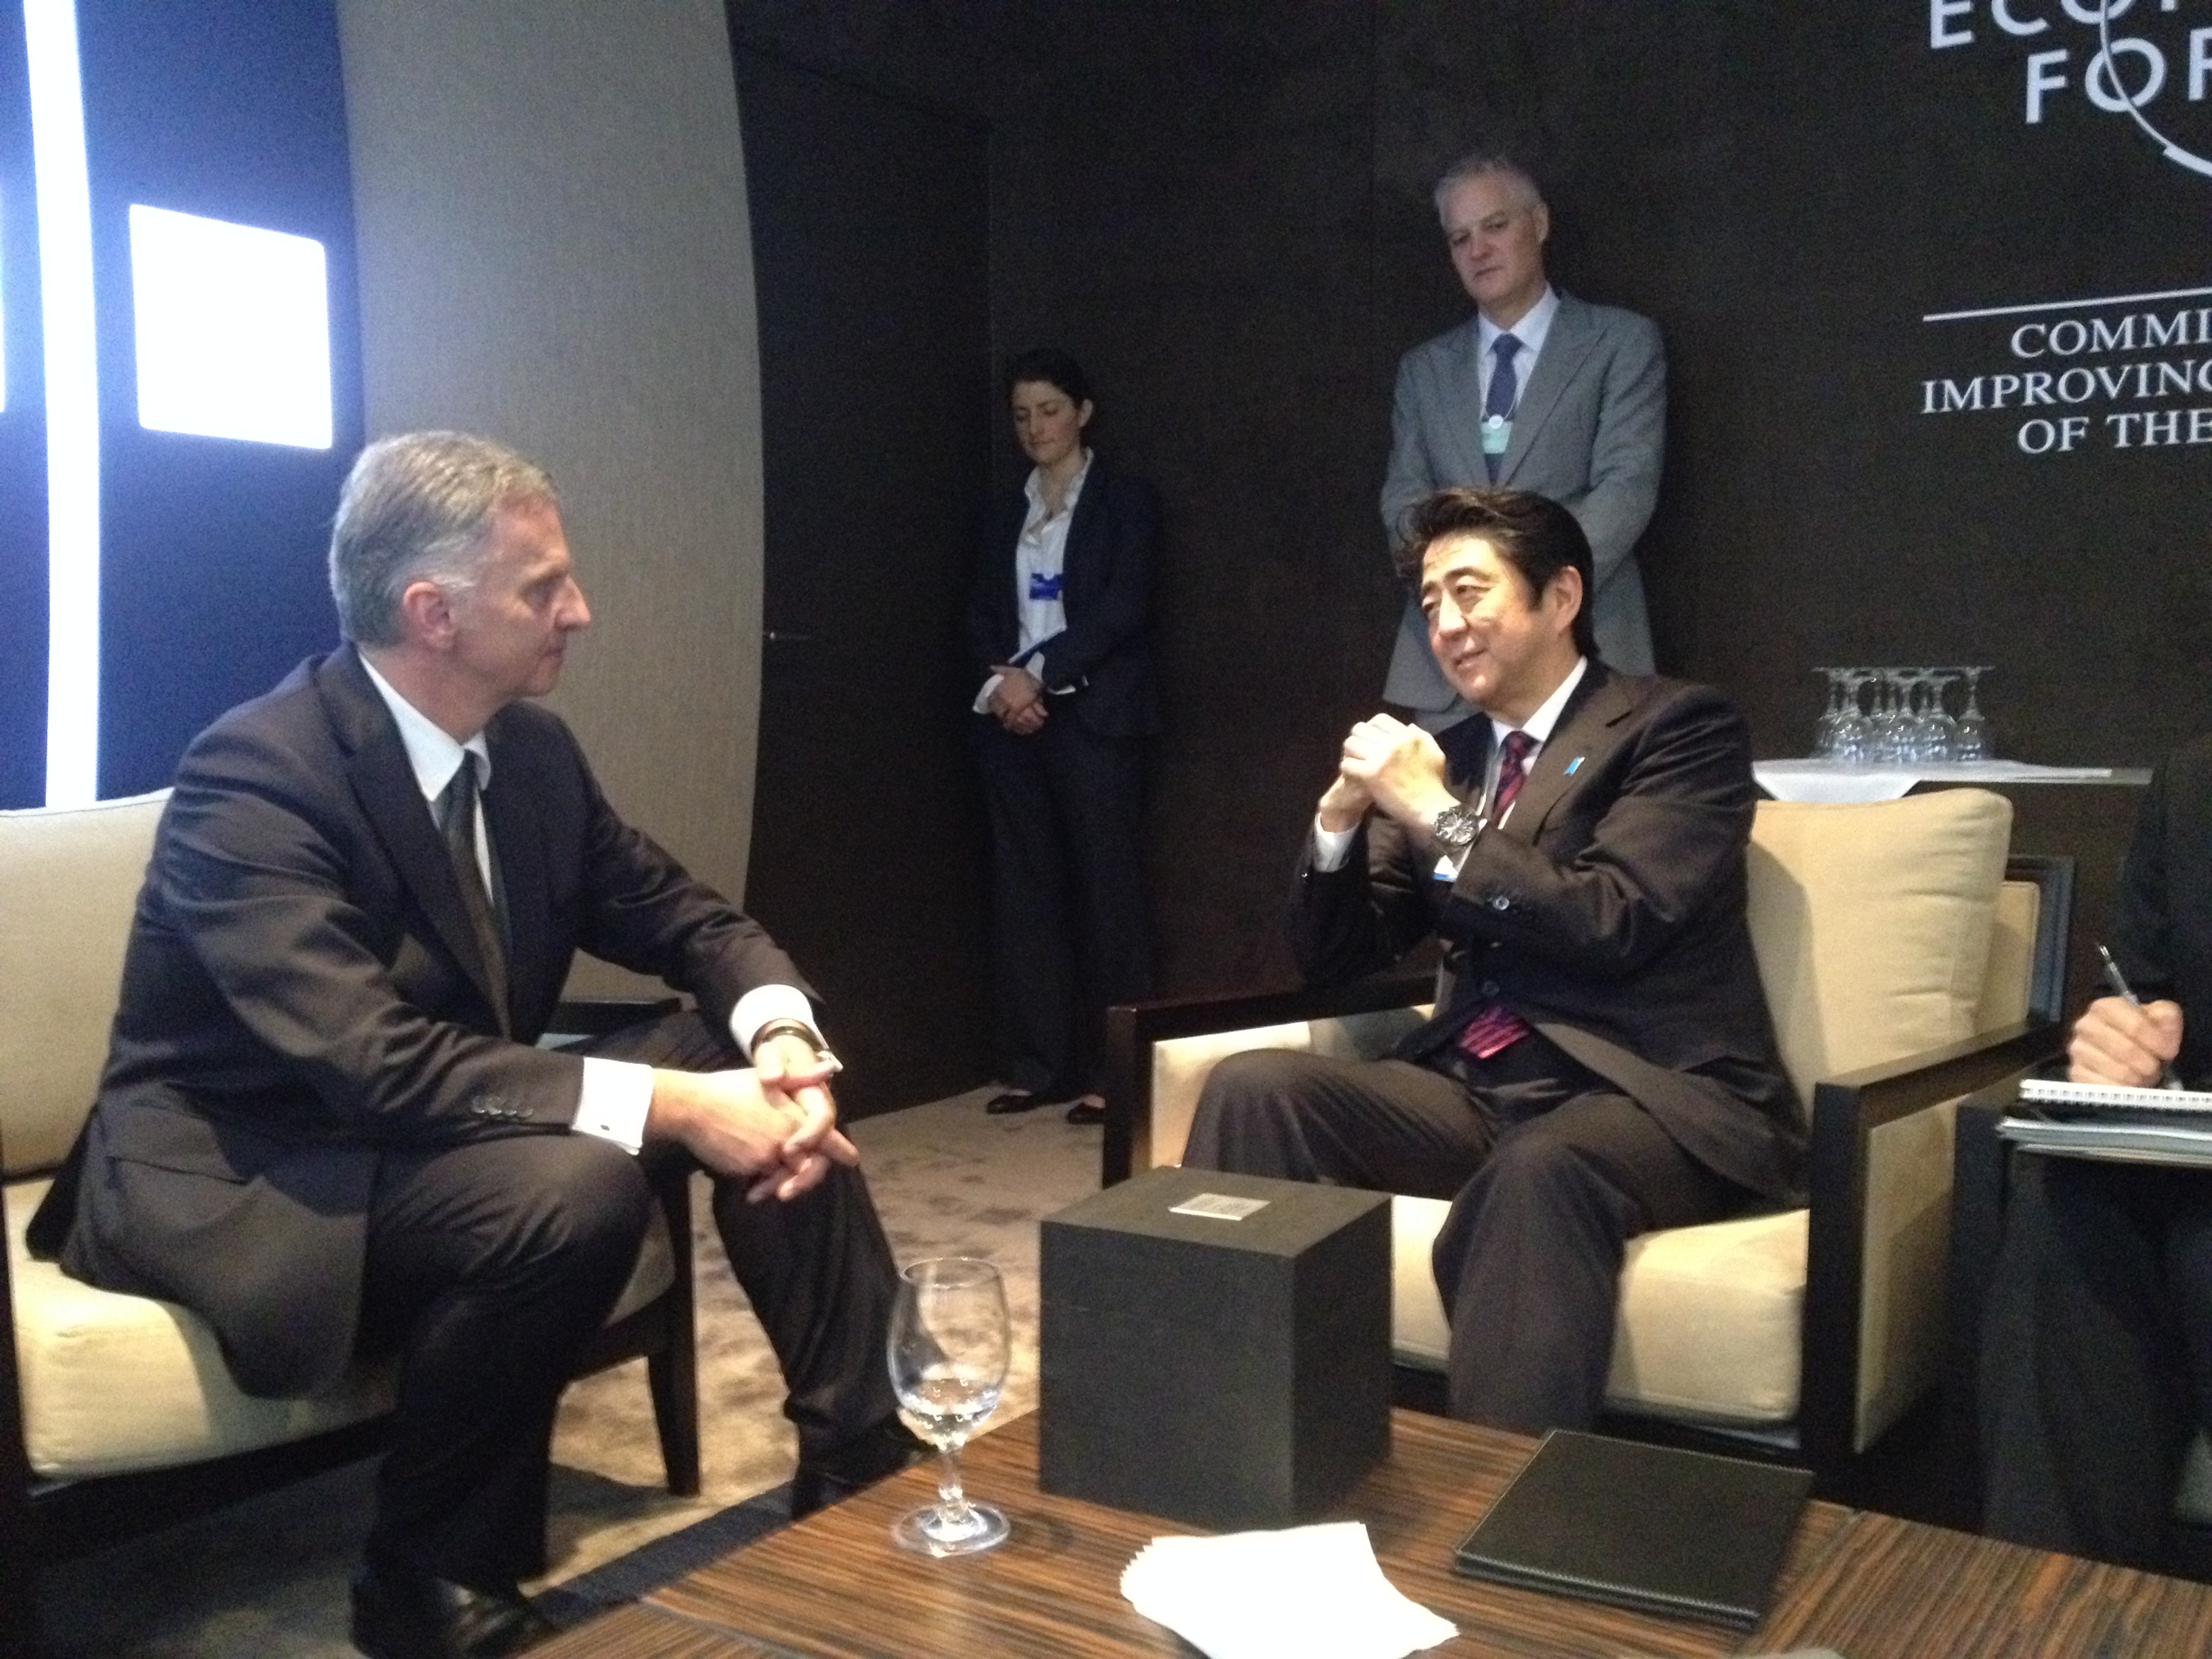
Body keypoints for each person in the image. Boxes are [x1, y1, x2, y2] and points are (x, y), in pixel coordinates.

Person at [26, 432, 916, 1659]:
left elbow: (685, 917)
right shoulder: (257, 774)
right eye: (542, 586)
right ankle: (428, 1573)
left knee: (747, 1048)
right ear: (431, 611)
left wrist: (779, 1040)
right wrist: (672, 1106)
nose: (580, 609)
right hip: (260, 1163)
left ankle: (859, 1443)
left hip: (433, 1120)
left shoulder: (530, 753)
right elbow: (368, 1060)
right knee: (574, 1180)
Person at [1182, 487, 1800, 1434]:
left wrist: (1435, 813)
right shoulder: (1453, 755)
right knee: (1255, 1087)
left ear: (1560, 598)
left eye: (1469, 593)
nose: (1446, 624)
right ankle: (1241, 1438)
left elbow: (1612, 919)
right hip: (1478, 1087)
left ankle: (1498, 1520)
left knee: (1541, 1169)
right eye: (1429, 604)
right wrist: (1338, 824)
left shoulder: (1676, 728)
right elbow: (1337, 960)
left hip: (1648, 1093)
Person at [1980, 739, 2212, 1572]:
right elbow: (2143, 987)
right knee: (2064, 1212)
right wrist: (2120, 1043)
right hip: (2195, 1159)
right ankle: (2054, 1612)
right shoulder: (2193, 783)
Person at [1380, 149, 1665, 733]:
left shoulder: (1620, 343)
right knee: (1448, 824)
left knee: (1581, 824)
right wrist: (1467, 596)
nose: (1477, 249)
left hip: (1584, 647)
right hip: (1449, 666)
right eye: (1460, 239)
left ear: (1539, 223)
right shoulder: (1422, 369)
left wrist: (1522, 591)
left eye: (1495, 226)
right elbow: (1403, 504)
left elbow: (1626, 489)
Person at [964, 349, 1160, 1127]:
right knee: (1026, 896)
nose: (1035, 427)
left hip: (1096, 717)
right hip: (1009, 721)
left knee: (1109, 897)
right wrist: (1004, 684)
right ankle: (1039, 1064)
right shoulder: (999, 510)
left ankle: (1119, 1078)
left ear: (1083, 411)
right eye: (1021, 414)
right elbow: (976, 611)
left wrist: (1040, 673)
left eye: (1049, 410)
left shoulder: (1126, 502)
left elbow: (1123, 609)